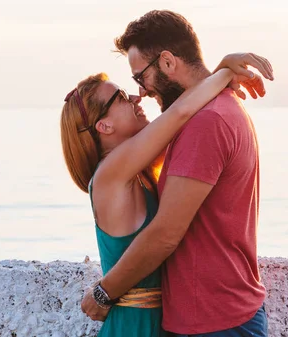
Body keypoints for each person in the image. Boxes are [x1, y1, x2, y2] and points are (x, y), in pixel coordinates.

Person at [80, 10, 273, 337]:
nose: (140, 92)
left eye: (140, 78)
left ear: (168, 63)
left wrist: (104, 292)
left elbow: (166, 233)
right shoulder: (211, 111)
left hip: (214, 323)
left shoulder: (206, 123)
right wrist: (223, 70)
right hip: (214, 317)